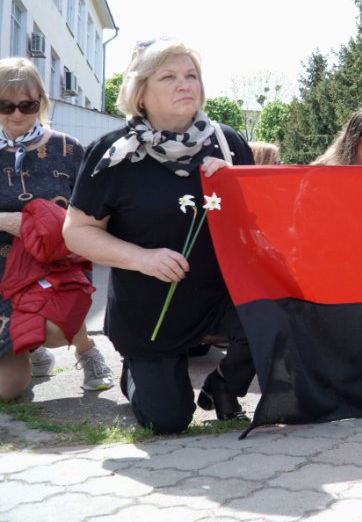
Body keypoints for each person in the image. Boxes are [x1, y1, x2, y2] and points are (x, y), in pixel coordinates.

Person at [63, 39, 256, 434]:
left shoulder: (227, 143)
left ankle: (223, 385)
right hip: (152, 310)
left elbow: (256, 223)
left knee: (275, 321)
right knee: (168, 420)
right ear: (141, 92)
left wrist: (237, 186)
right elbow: (77, 233)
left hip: (220, 299)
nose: (184, 84)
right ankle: (137, 371)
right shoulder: (113, 154)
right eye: (168, 77)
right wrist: (142, 258)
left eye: (191, 75)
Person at [0, 57, 113, 400]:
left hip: (54, 266)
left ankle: (86, 349)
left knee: (53, 325)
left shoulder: (69, 149)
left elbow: (93, 212)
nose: (16, 114)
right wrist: (5, 220)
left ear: (42, 102)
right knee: (5, 392)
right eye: (5, 105)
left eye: (27, 105)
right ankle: (32, 352)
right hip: (2, 272)